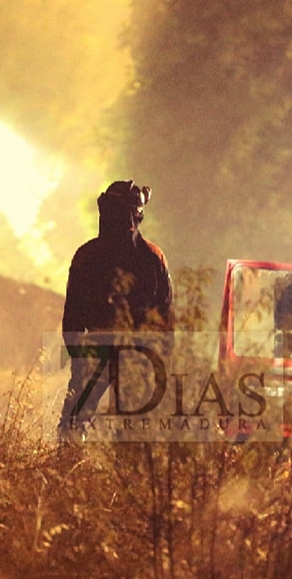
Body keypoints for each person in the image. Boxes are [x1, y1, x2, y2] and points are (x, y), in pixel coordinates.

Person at [57, 180, 174, 441]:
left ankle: (66, 474)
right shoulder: (153, 257)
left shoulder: (86, 255)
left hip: (109, 349)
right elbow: (166, 319)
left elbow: (72, 318)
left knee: (74, 424)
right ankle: (124, 479)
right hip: (137, 352)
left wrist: (78, 358)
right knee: (132, 433)